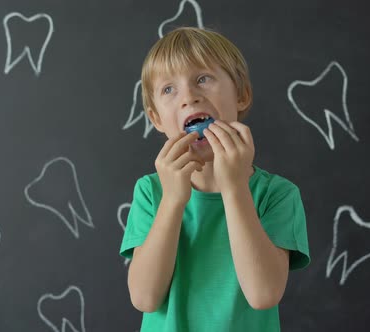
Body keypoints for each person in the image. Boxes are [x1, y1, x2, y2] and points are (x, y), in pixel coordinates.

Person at [120, 26, 310, 332]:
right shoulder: (150, 192)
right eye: (169, 89)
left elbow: (264, 295)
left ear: (242, 95)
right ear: (156, 119)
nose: (189, 98)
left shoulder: (277, 194)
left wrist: (234, 187)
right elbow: (144, 298)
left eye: (203, 79)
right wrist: (173, 200)